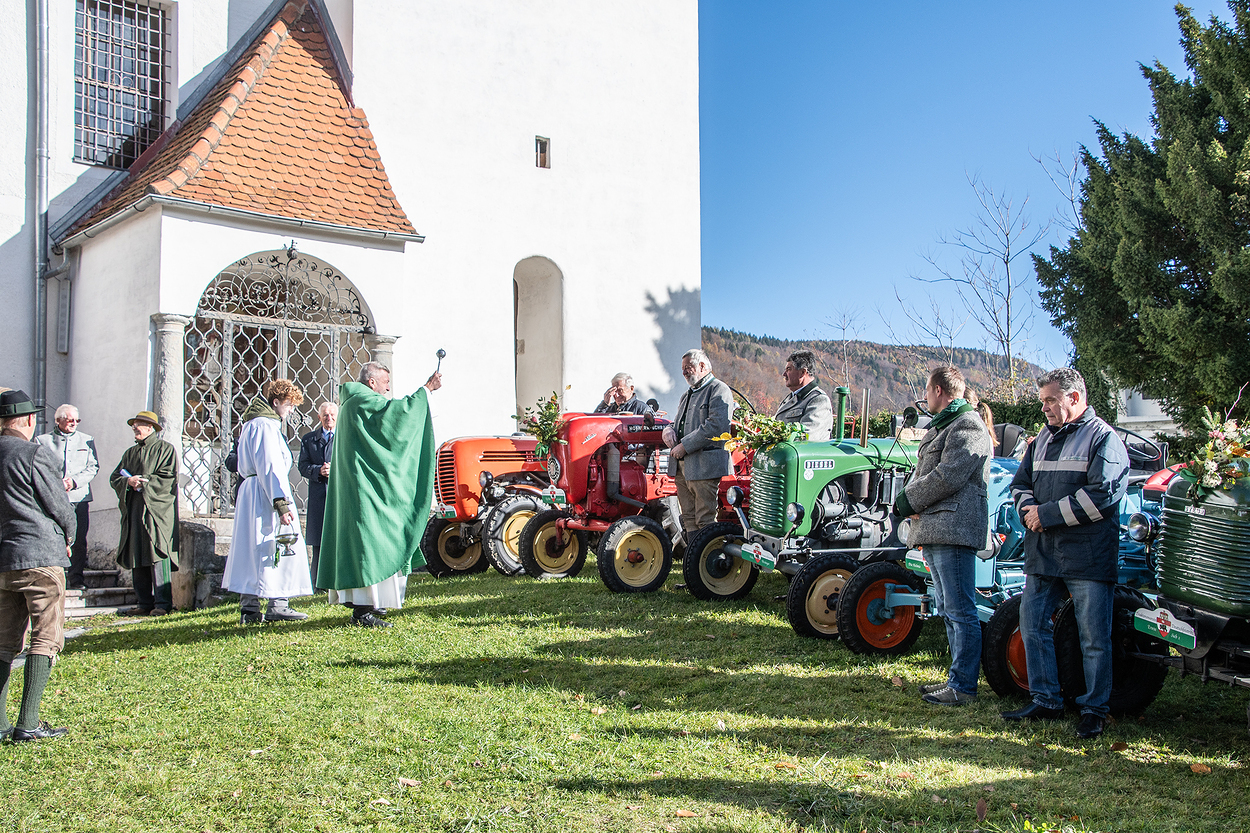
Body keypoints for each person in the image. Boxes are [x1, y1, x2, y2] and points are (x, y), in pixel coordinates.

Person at [1003, 367, 1130, 739]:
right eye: (1042, 401)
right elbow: (1020, 484)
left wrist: (1045, 515)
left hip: (1087, 556)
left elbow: (1103, 496)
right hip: (1045, 552)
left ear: (1075, 398)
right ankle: (1046, 700)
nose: (1044, 408)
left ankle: (1094, 710)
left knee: (1094, 638)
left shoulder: (1104, 439)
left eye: (1050, 400)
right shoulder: (1042, 438)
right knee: (1032, 624)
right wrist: (1029, 511)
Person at [892, 367, 992, 706]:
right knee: (948, 607)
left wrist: (909, 500)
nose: (925, 397)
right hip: (937, 527)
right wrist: (911, 501)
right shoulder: (944, 425)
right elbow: (924, 471)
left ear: (938, 390)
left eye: (927, 390)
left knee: (961, 609)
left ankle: (963, 687)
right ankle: (955, 679)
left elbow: (948, 476)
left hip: (954, 528)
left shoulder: (967, 425)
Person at [318, 362, 442, 627]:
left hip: (364, 485)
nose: (388, 387)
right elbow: (395, 418)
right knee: (371, 543)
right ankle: (362, 611)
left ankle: (374, 603)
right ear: (371, 381)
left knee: (374, 542)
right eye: (385, 381)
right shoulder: (362, 401)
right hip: (365, 490)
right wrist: (426, 390)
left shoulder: (354, 402)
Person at [0, 390, 75, 741]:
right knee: (46, 636)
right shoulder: (33, 453)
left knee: (3, 642)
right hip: (40, 556)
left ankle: (1, 724)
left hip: (3, 559)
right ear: (30, 420)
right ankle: (28, 723)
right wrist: (69, 535)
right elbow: (59, 504)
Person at [223, 380, 314, 624]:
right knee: (276, 545)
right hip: (266, 493)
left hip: (253, 491)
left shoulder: (253, 423)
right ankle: (277, 604)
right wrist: (281, 504)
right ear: (276, 402)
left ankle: (250, 608)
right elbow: (270, 466)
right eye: (290, 405)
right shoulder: (265, 426)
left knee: (252, 549)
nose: (291, 410)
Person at [110, 410, 180, 616]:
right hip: (135, 509)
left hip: (156, 511)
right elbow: (115, 477)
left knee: (157, 550)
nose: (134, 428)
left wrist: (144, 483)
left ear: (150, 428)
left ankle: (163, 604)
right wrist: (128, 481)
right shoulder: (130, 453)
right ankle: (143, 602)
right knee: (136, 551)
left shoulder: (165, 449)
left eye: (138, 424)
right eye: (134, 424)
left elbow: (168, 478)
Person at [665, 349, 733, 538]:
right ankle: (694, 555)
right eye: (683, 368)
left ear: (702, 366)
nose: (684, 372)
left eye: (688, 367)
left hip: (705, 467)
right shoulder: (686, 395)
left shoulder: (719, 389)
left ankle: (708, 556)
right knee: (688, 518)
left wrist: (684, 446)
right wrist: (668, 430)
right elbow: (677, 423)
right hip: (683, 468)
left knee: (705, 519)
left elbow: (716, 426)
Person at [35, 404, 99, 590]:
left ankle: (76, 578)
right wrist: (57, 483)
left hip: (79, 497)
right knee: (54, 537)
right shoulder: (42, 441)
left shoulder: (87, 440)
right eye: (70, 420)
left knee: (78, 539)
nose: (74, 423)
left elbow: (93, 467)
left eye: (77, 420)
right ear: (58, 420)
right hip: (54, 497)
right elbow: (39, 468)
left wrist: (74, 482)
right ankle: (54, 577)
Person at [298, 402, 338, 591]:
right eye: (325, 415)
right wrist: (318, 470)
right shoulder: (309, 440)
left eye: (332, 414)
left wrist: (334, 469)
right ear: (319, 417)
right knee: (319, 542)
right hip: (319, 495)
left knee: (338, 539)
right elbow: (303, 466)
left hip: (338, 494)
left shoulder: (343, 438)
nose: (329, 418)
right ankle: (317, 584)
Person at [774, 350, 834, 441]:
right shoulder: (790, 398)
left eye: (789, 369)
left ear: (802, 372)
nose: (784, 374)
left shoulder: (819, 400)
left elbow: (806, 438)